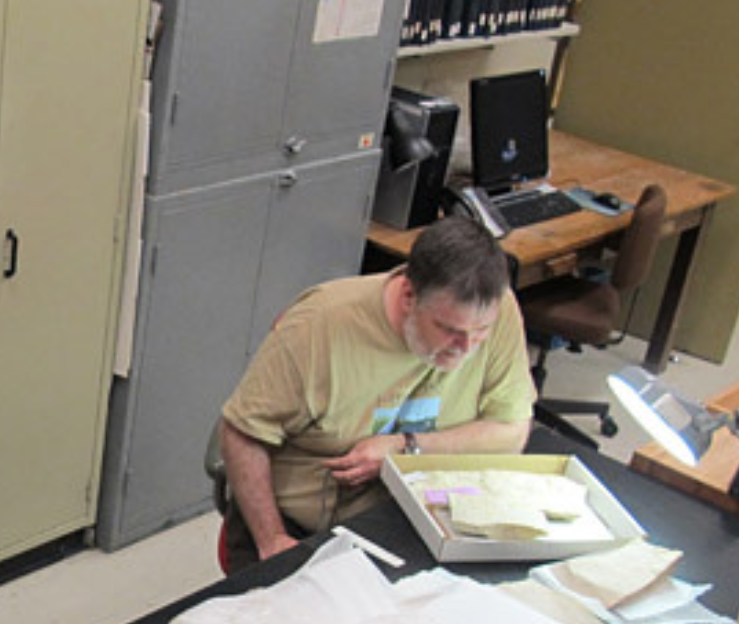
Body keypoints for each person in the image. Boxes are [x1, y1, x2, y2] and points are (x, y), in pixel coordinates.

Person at [218, 215, 534, 574]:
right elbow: (241, 434)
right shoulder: (318, 327)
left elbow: (511, 433)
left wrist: (405, 446)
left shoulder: (497, 308)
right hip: (309, 521)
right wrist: (272, 540)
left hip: (421, 511)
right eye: (449, 330)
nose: (465, 348)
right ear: (409, 295)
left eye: (481, 332)